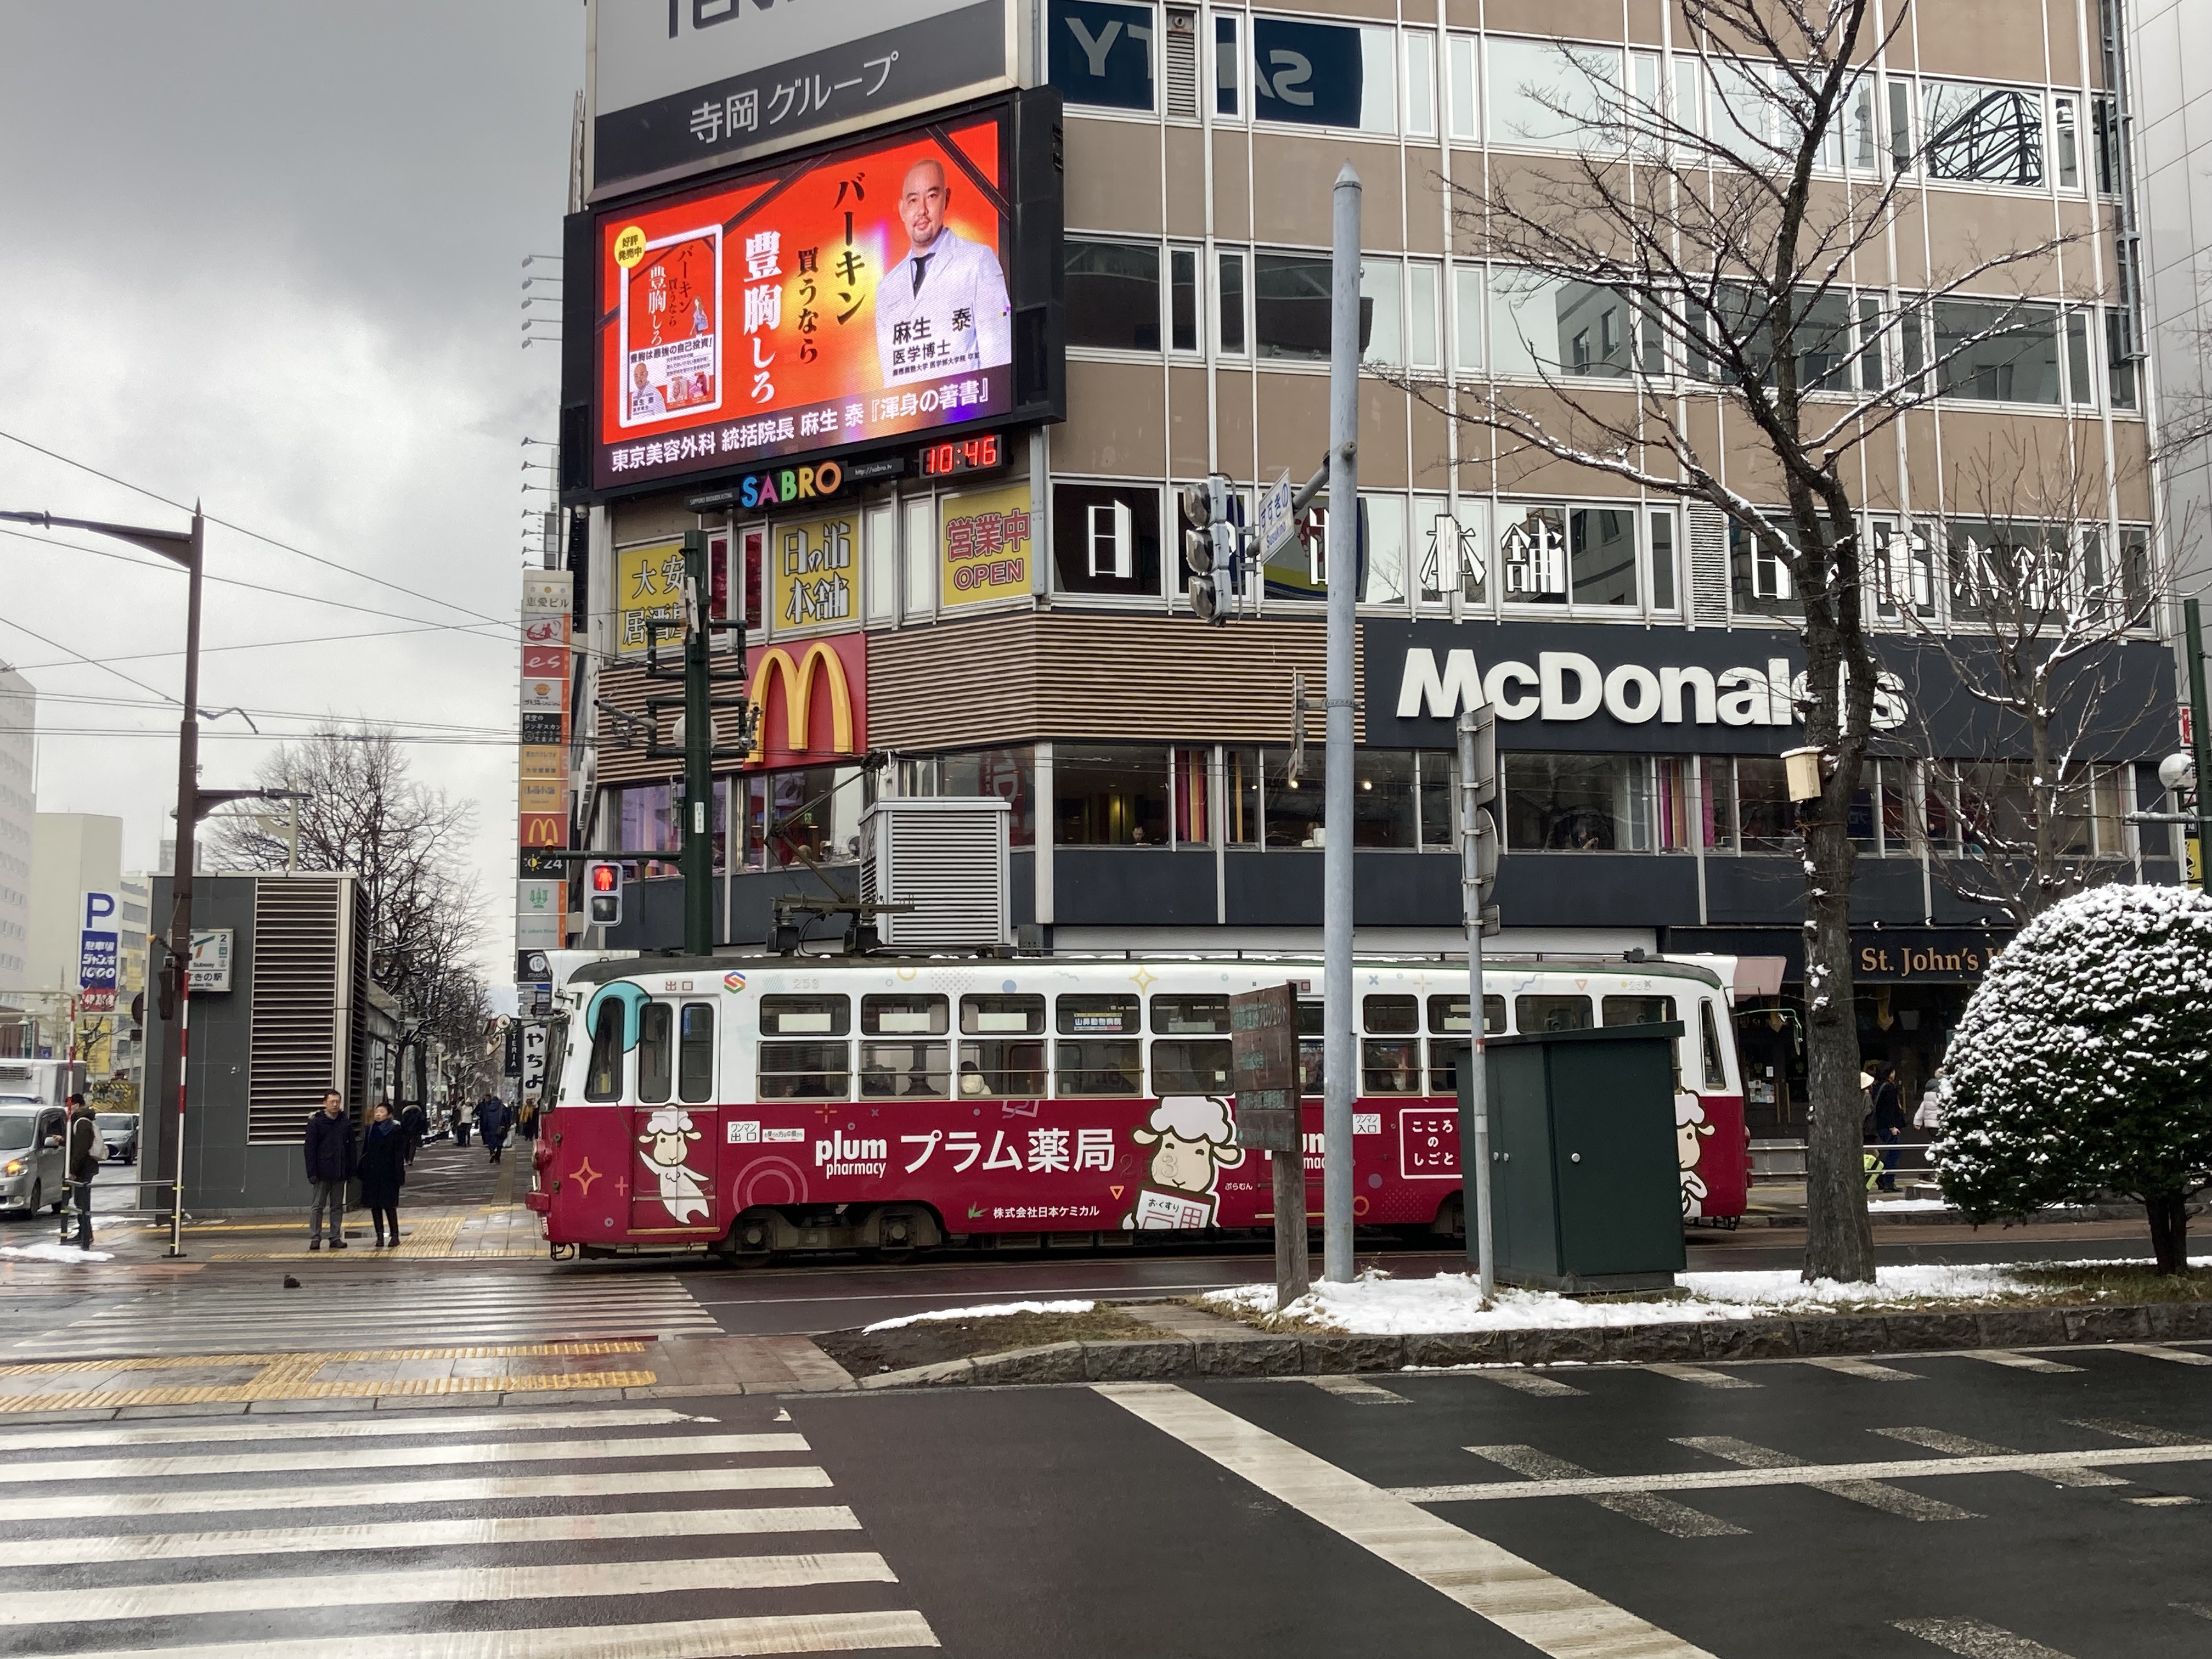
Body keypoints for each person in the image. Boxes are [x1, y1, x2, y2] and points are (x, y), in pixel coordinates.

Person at [874, 157, 1012, 388]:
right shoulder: (887, 288)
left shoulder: (977, 261)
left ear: (946, 199)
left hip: (965, 410)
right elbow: (891, 375)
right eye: (913, 200)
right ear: (902, 210)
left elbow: (999, 358)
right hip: (911, 415)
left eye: (932, 196)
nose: (922, 210)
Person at [303, 1090, 354, 1250]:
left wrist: (351, 1171)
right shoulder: (316, 1123)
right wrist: (311, 1172)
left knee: (337, 1206)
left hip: (340, 1171)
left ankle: (335, 1237)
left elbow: (351, 1148)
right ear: (324, 1103)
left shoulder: (344, 1122)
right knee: (318, 1206)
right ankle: (315, 1237)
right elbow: (309, 1149)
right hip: (321, 1172)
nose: (335, 1105)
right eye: (332, 1102)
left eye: (337, 1102)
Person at [357, 1102, 407, 1249]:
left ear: (389, 1114)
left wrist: (399, 1173)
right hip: (372, 1173)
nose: (378, 1114)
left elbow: (398, 1154)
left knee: (389, 1205)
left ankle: (395, 1235)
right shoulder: (371, 1129)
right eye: (377, 1112)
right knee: (375, 1206)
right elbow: (365, 1150)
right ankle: (379, 1236)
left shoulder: (395, 1130)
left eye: (382, 1112)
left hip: (389, 1173)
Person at [63, 1094, 99, 1250]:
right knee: (81, 1202)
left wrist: (73, 1170)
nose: (68, 1109)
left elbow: (80, 1149)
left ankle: (85, 1235)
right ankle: (84, 1233)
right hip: (84, 1167)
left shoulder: (82, 1122)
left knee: (82, 1202)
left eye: (70, 1105)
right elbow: (77, 1143)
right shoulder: (82, 1121)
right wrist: (64, 1140)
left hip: (83, 1168)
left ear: (77, 1105)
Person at [1869, 1062, 1908, 1193]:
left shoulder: (1877, 1087)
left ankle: (1883, 1177)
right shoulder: (1890, 1088)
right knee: (1894, 1152)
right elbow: (1889, 1110)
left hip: (1880, 1124)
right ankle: (1887, 1180)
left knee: (1890, 1152)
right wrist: (1892, 1126)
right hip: (1889, 1126)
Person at [476, 1093, 511, 1164]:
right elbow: (507, 1117)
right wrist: (507, 1126)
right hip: (501, 1129)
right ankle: (498, 1157)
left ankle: (492, 1153)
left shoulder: (489, 1108)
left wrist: (484, 1128)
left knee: (491, 1143)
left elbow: (485, 1119)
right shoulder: (503, 1108)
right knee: (500, 1143)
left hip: (491, 1128)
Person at [399, 1099, 426, 1166]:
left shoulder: (405, 1113)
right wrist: (421, 1130)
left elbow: (402, 1123)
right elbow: (422, 1121)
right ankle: (410, 1159)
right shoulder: (419, 1113)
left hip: (406, 1132)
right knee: (413, 1145)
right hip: (416, 1131)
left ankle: (407, 1158)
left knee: (406, 1145)